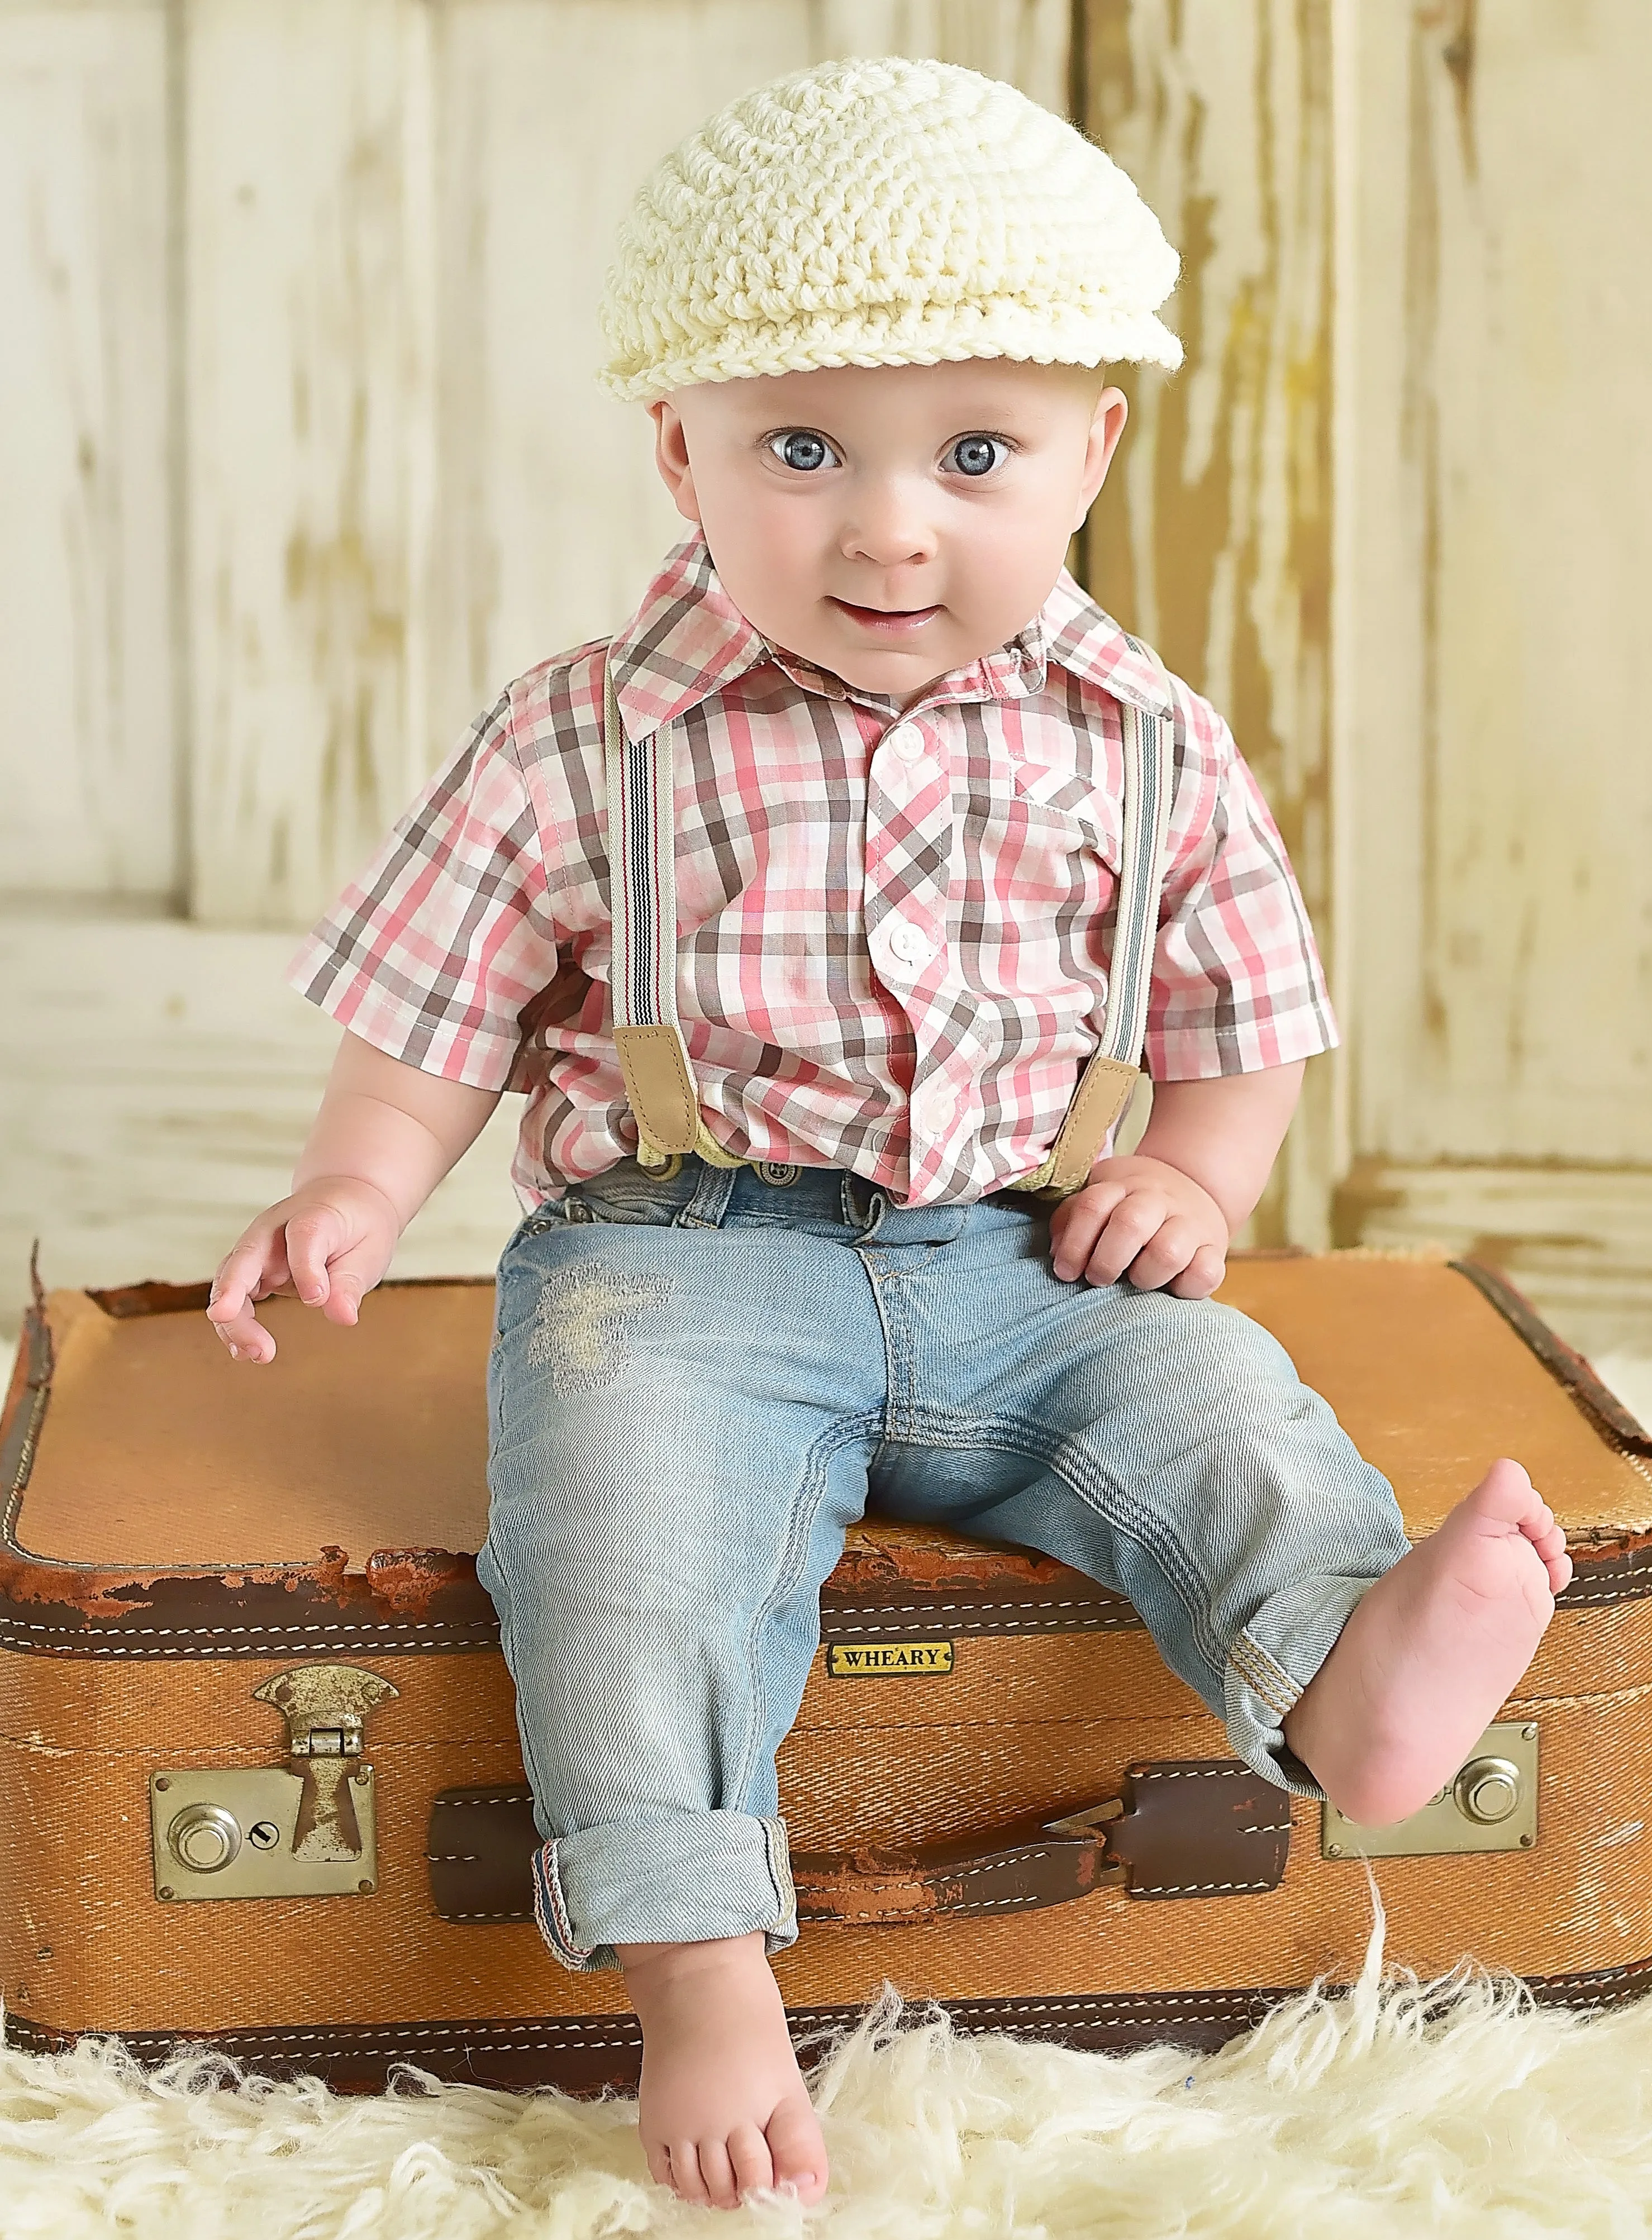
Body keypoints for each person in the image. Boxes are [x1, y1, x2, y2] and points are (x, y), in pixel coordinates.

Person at [207, 57, 1572, 2213]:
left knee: (1210, 1396)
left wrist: (1190, 1181)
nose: (886, 523)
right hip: (683, 1260)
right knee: (625, 1517)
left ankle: (1348, 1675)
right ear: (682, 448)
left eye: (973, 453)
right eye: (803, 449)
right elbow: (431, 1017)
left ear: (1090, 447)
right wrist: (358, 1188)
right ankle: (699, 1950)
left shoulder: (1142, 737)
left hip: (1024, 1268)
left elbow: (1245, 1026)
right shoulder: (586, 730)